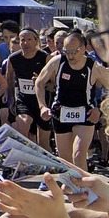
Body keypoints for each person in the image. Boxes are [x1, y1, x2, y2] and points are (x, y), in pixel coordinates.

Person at [36, 33, 109, 171]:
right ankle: (72, 189)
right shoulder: (57, 62)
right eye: (67, 51)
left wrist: (99, 109)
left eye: (74, 52)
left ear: (83, 49)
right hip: (61, 113)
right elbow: (40, 82)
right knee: (66, 161)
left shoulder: (93, 67)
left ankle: (85, 189)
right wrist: (42, 106)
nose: (70, 56)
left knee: (79, 155)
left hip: (85, 114)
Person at [6, 28, 52, 150]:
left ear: (36, 41)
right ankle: (22, 158)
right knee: (23, 123)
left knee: (43, 143)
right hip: (23, 99)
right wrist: (11, 98)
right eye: (22, 40)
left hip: (41, 101)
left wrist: (41, 82)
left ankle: (49, 166)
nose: (25, 43)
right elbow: (9, 77)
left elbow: (54, 83)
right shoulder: (13, 58)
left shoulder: (45, 58)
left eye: (29, 40)